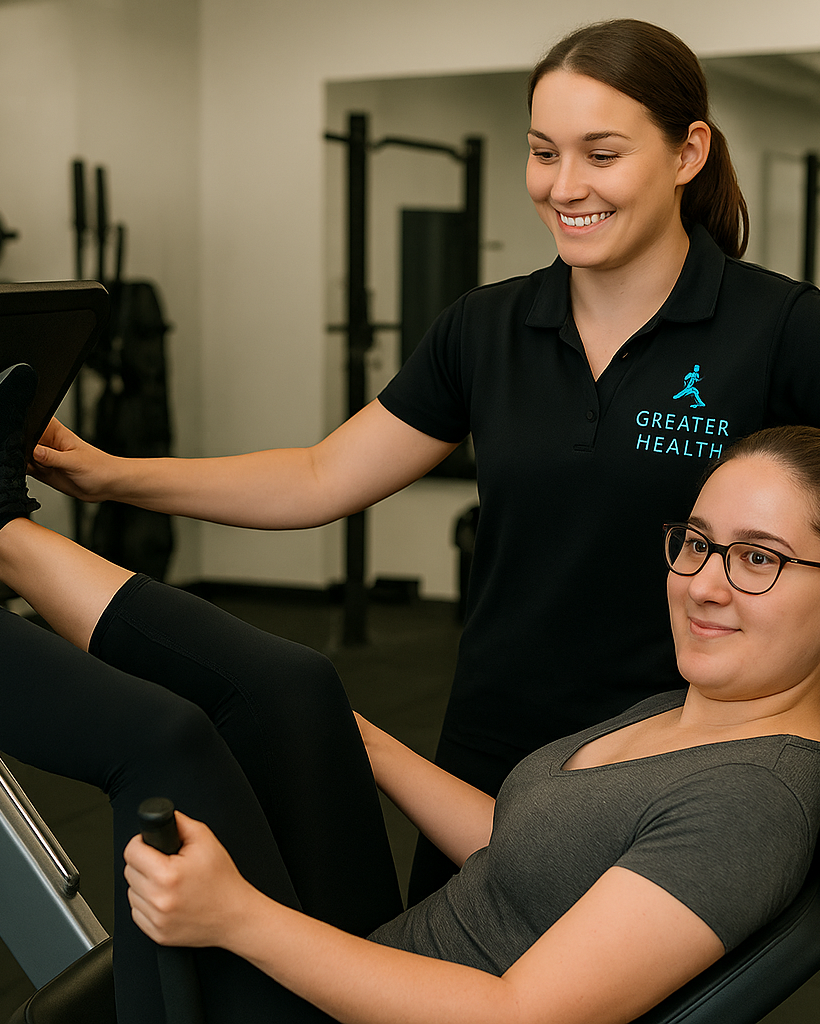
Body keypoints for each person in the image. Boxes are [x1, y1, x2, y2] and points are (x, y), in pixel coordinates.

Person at [29, 18, 820, 902]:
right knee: (436, 959)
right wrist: (108, 473)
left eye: (602, 155)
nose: (564, 186)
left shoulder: (782, 331)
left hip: (685, 754)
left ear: (688, 153)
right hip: (494, 740)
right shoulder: (486, 327)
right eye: (543, 153)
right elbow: (321, 477)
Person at [4, 361, 820, 1023]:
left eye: (759, 559)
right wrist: (348, 733)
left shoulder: (751, 800)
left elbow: (520, 1015)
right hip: (385, 963)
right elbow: (533, 850)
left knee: (162, 743)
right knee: (297, 688)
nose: (704, 585)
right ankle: (6, 527)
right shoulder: (700, 708)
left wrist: (235, 916)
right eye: (698, 543)